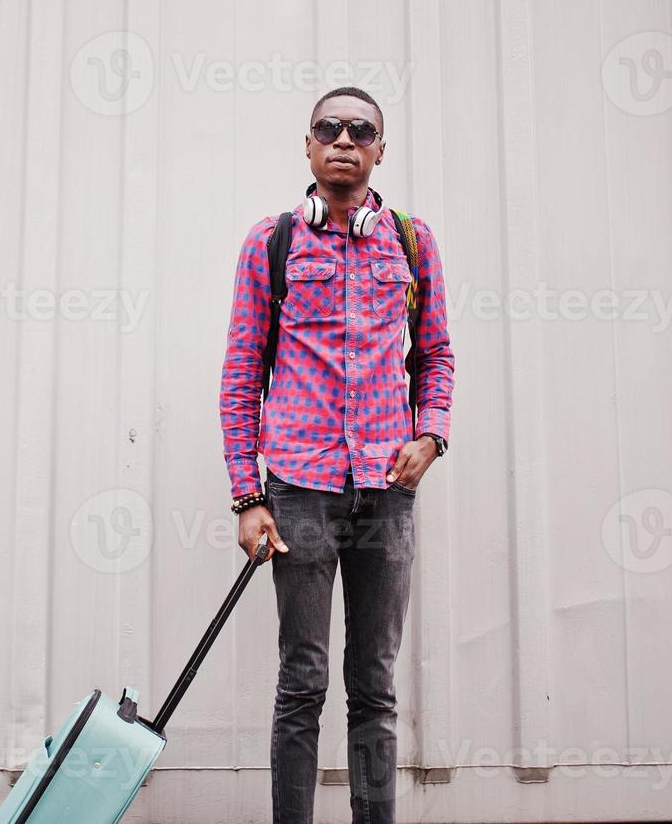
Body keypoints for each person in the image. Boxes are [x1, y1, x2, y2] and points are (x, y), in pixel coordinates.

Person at [219, 85, 455, 823]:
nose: (343, 139)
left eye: (361, 130)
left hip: (386, 492)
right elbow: (239, 376)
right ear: (308, 147)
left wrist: (430, 432)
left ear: (380, 150)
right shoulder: (272, 241)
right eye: (328, 128)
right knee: (301, 683)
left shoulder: (413, 242)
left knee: (374, 684)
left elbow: (436, 356)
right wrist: (246, 496)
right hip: (299, 490)